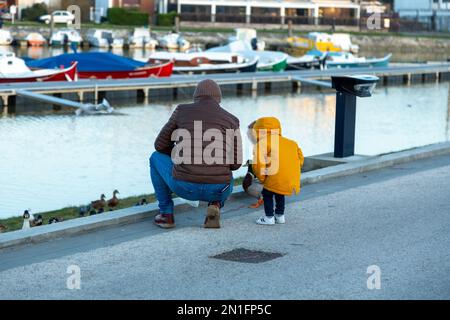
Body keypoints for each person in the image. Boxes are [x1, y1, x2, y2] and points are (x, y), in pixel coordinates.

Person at [150, 79, 242, 229]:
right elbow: (236, 164)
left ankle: (166, 214)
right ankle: (216, 204)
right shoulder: (232, 120)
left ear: (196, 96)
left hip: (185, 186)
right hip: (219, 190)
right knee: (226, 174)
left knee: (155, 157)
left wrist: (178, 155)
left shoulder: (181, 111)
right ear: (219, 98)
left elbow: (159, 146)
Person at [249, 117, 304, 225]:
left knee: (267, 193)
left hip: (272, 174)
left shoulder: (262, 144)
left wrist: (262, 178)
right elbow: (300, 159)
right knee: (280, 193)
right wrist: (290, 170)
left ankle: (269, 217)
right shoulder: (291, 143)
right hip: (287, 177)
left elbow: (258, 164)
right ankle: (280, 216)